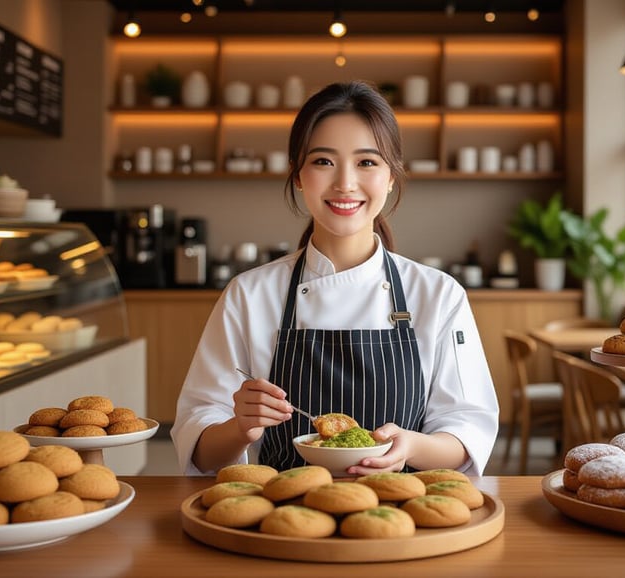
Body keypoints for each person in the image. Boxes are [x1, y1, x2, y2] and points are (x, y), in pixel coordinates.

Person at [171, 80, 498, 476]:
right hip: (286, 519)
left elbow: (466, 432)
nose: (345, 183)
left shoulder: (438, 295)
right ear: (297, 175)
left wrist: (411, 446)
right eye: (324, 161)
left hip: (403, 520)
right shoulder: (249, 295)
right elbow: (199, 446)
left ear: (391, 176)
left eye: (367, 162)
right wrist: (241, 428)